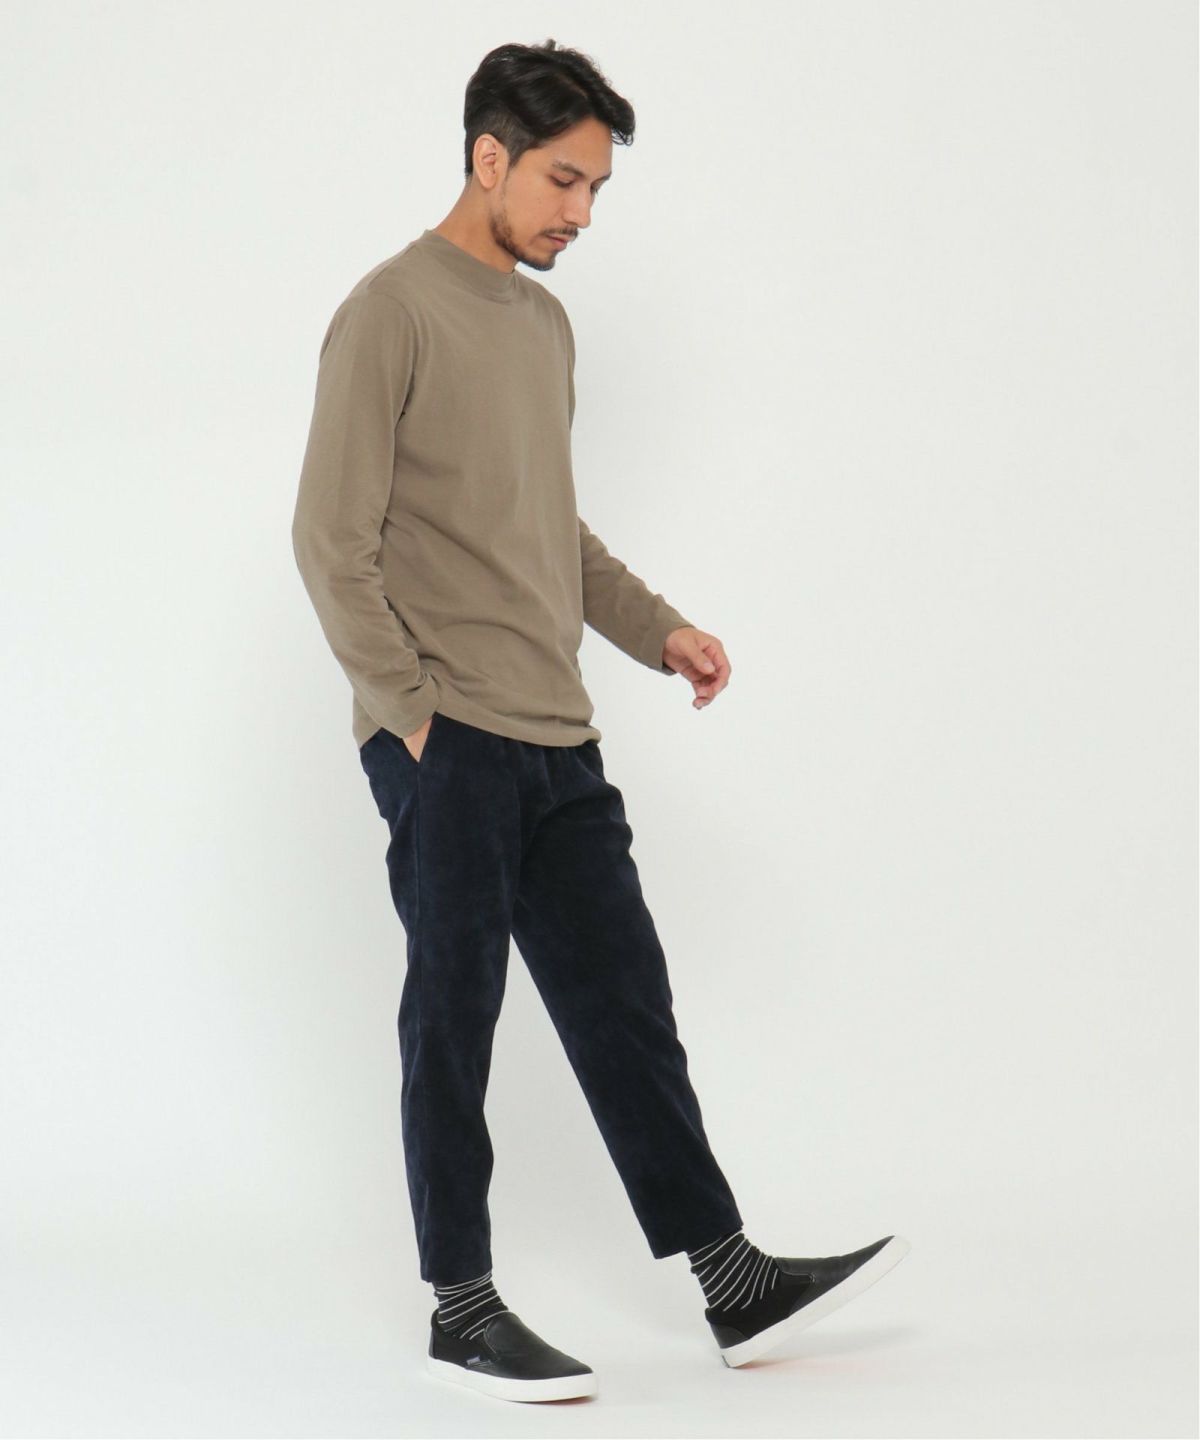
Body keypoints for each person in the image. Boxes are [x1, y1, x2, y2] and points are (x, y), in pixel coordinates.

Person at [291, 36, 908, 1404]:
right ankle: (461, 1308)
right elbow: (329, 539)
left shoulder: (543, 325)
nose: (581, 211)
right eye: (564, 181)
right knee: (453, 1015)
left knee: (627, 1007)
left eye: (597, 189)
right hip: (448, 736)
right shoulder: (389, 311)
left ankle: (732, 1282)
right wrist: (409, 715)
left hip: (557, 737)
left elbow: (549, 531)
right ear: (489, 157)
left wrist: (658, 628)